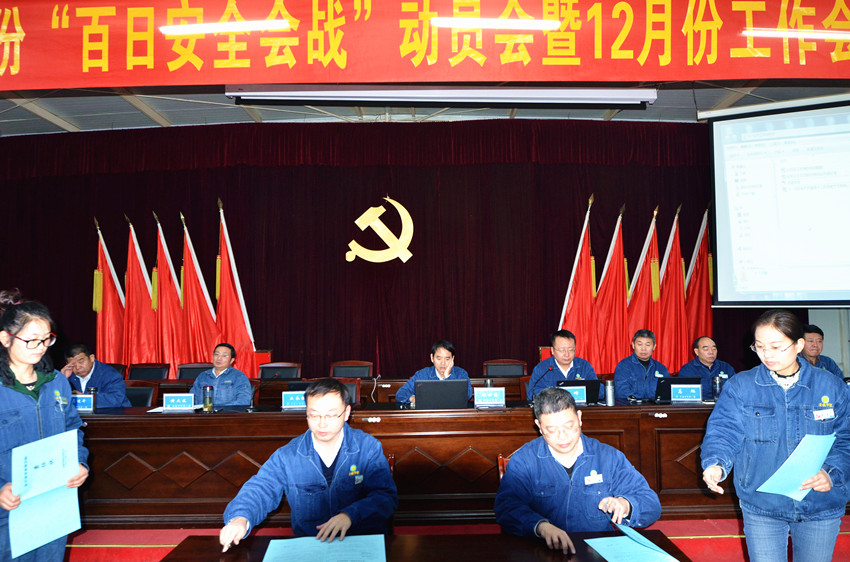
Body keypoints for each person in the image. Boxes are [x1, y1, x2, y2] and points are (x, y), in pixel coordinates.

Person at [701, 310, 850, 562]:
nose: (767, 355)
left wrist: (831, 473)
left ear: (798, 345)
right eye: (759, 347)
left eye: (776, 347)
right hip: (763, 504)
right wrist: (716, 464)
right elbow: (724, 431)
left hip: (819, 503)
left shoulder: (831, 386)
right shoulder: (741, 386)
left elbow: (845, 438)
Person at [219, 378, 397, 552]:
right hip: (312, 545)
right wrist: (240, 518)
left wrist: (350, 515)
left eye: (330, 415)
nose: (322, 423)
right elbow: (261, 488)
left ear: (346, 413)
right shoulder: (288, 455)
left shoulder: (367, 448)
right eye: (314, 415)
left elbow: (385, 496)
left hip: (359, 542)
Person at [494, 387, 661, 554]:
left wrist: (626, 505)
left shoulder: (608, 457)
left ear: (579, 418)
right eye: (552, 430)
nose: (562, 436)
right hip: (543, 551)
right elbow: (506, 508)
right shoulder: (525, 460)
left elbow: (651, 504)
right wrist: (541, 527)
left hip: (596, 551)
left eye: (569, 426)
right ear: (539, 426)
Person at [0, 291, 89, 560]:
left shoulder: (56, 382)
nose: (40, 347)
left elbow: (73, 428)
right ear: (5, 338)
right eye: (31, 340)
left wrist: (80, 463)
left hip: (53, 500)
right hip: (9, 505)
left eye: (46, 339)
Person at [528, 330, 601, 400]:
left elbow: (600, 391)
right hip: (553, 408)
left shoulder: (584, 366)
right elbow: (532, 394)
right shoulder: (542, 368)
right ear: (552, 350)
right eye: (562, 350)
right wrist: (557, 396)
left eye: (571, 350)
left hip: (579, 407)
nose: (567, 354)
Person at [394, 340, 472, 405]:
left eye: (447, 359)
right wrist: (412, 398)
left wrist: (447, 377)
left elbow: (467, 395)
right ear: (432, 358)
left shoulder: (461, 374)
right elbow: (400, 394)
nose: (443, 363)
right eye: (439, 359)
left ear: (452, 359)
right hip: (429, 415)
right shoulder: (422, 374)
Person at [61, 343, 131, 408]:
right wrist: (61, 379)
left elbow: (115, 399)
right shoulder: (67, 375)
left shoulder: (110, 374)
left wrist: (85, 399)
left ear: (91, 358)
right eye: (73, 364)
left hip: (113, 415)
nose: (77, 367)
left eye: (81, 361)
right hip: (80, 416)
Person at [613, 329, 670, 401]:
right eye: (639, 344)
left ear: (654, 347)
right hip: (631, 406)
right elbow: (621, 392)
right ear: (633, 345)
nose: (643, 349)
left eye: (648, 345)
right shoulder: (623, 366)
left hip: (655, 406)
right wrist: (640, 401)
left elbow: (667, 392)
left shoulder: (661, 368)